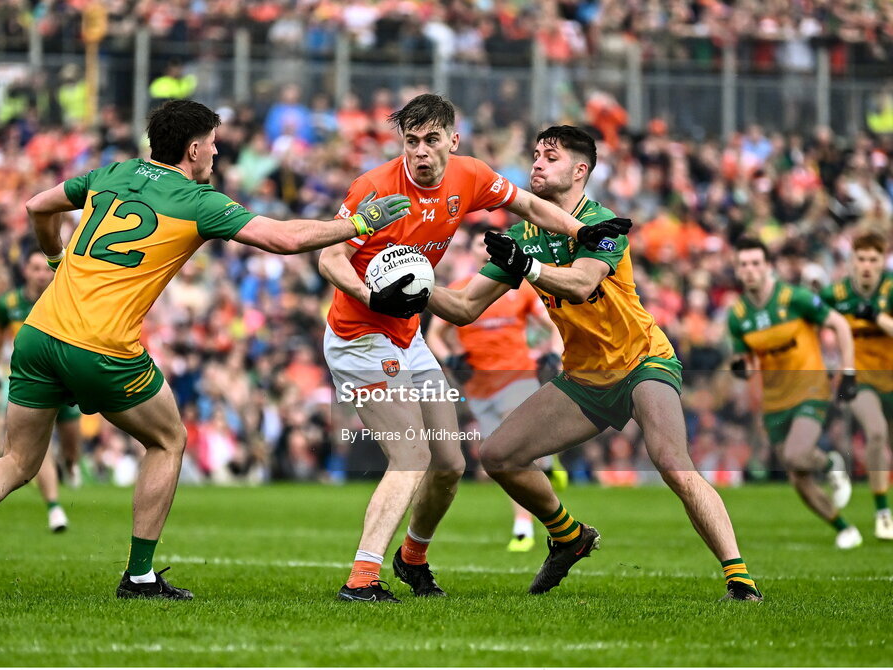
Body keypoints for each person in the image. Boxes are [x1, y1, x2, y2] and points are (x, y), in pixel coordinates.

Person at [0, 99, 413, 601]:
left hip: (39, 333)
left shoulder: (113, 172)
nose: (216, 154)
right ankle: (140, 577)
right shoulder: (198, 200)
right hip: (102, 345)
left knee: (17, 459)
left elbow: (38, 206)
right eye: (213, 145)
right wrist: (358, 224)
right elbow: (281, 239)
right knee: (168, 440)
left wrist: (53, 255)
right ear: (193, 149)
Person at [427, 125, 763, 601]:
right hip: (584, 377)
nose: (538, 163)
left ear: (580, 170)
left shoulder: (604, 223)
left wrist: (528, 268)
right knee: (497, 456)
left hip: (643, 360)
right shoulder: (524, 234)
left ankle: (739, 579)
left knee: (670, 460)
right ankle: (569, 537)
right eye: (536, 154)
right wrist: (412, 289)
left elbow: (582, 284)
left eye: (551, 156)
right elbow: (463, 308)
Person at [319, 96, 630, 603]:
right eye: (411, 142)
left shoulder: (471, 175)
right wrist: (373, 295)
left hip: (406, 336)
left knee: (449, 462)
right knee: (411, 456)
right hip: (359, 339)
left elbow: (528, 206)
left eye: (431, 140)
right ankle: (361, 580)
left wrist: (582, 230)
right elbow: (330, 258)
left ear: (453, 141)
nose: (420, 152)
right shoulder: (374, 187)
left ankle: (412, 560)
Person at [425, 225, 566, 553]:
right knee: (501, 459)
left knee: (509, 453)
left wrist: (553, 355)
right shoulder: (459, 290)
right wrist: (452, 359)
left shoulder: (520, 289)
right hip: (478, 386)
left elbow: (554, 325)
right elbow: (434, 334)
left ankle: (523, 528)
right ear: (471, 251)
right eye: (480, 244)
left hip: (517, 377)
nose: (487, 250)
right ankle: (548, 463)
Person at [728, 236, 861, 549]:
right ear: (737, 270)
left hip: (810, 388)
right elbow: (741, 358)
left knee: (796, 455)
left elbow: (839, 324)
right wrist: (740, 367)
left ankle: (831, 464)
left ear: (768, 267)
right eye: (743, 264)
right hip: (775, 402)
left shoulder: (795, 298)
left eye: (755, 263)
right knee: (797, 476)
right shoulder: (738, 316)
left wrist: (849, 369)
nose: (750, 270)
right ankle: (844, 527)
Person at [0, 250, 82, 533]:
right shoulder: (8, 304)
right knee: (37, 443)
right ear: (26, 271)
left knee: (70, 439)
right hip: (28, 381)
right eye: (35, 269)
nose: (42, 274)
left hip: (63, 378)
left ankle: (70, 464)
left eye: (46, 269)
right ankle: (54, 507)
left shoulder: (65, 298)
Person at [819, 230, 893, 541]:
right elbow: (811, 323)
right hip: (861, 379)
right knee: (876, 433)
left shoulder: (890, 288)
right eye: (860, 259)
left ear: (882, 262)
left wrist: (877, 316)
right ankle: (883, 513)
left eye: (873, 260)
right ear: (851, 262)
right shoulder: (835, 294)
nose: (866, 265)